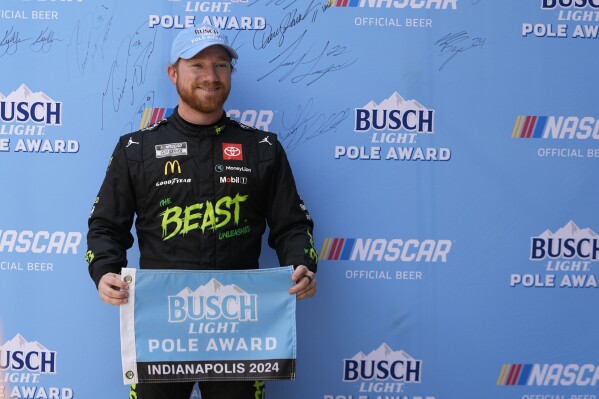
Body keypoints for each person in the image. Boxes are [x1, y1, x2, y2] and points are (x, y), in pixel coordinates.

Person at [85, 24, 318, 399]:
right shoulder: (136, 149)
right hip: (160, 324)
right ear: (173, 73)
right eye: (197, 64)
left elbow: (293, 224)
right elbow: (104, 227)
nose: (211, 76)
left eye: (221, 65)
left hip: (240, 327)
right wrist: (104, 272)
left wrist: (302, 263)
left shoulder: (262, 147)